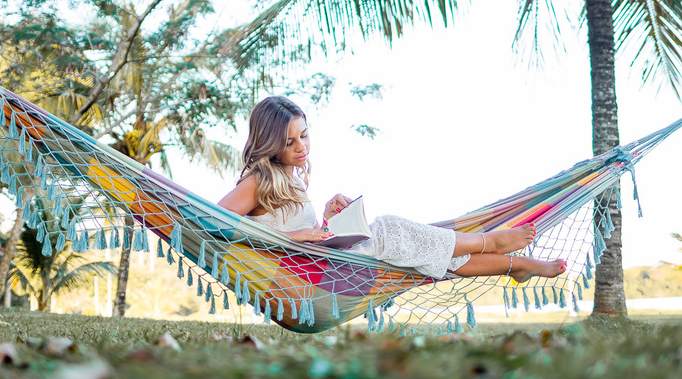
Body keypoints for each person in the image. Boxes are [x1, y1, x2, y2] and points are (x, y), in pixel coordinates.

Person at [218, 96, 567, 282]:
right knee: (390, 228)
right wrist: (297, 237)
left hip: (321, 263)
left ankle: (515, 265)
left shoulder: (291, 180)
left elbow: (307, 236)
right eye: (289, 141)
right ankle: (491, 242)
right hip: (304, 275)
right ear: (269, 143)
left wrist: (326, 221)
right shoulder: (258, 181)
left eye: (304, 135)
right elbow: (216, 224)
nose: (301, 147)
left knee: (429, 251)